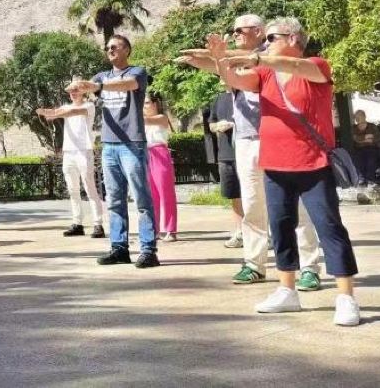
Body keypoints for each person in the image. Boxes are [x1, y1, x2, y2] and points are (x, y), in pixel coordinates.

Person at [210, 18, 361, 326]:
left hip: (312, 164)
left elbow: (289, 65)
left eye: (272, 38)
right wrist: (219, 59)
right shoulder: (266, 73)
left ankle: (346, 297)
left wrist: (256, 58)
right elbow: (237, 81)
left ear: (293, 38)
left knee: (329, 227)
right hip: (275, 165)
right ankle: (286, 290)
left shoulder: (316, 66)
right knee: (280, 228)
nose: (266, 44)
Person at [178, 14, 323, 289]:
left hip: (279, 138)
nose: (235, 35)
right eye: (233, 31)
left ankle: (309, 266)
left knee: (296, 206)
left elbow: (238, 64)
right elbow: (227, 69)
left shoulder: (272, 55)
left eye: (239, 31)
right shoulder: (245, 58)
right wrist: (202, 59)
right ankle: (255, 264)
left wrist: (215, 56)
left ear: (258, 31)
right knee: (253, 205)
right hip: (246, 139)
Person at [71, 35, 159, 268]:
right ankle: (119, 248)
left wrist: (97, 87)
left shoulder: (137, 72)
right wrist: (78, 86)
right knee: (114, 200)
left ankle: (149, 250)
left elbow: (128, 84)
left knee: (141, 199)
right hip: (109, 145)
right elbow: (82, 88)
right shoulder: (101, 76)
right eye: (107, 47)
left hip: (132, 143)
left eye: (114, 47)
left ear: (126, 50)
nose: (109, 50)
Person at [36, 85, 105, 238]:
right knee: (72, 190)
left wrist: (54, 113)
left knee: (89, 188)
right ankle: (77, 223)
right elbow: (53, 114)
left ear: (83, 92)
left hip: (84, 151)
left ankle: (98, 224)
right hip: (69, 152)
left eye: (76, 90)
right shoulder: (65, 107)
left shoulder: (89, 106)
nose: (73, 93)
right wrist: (45, 112)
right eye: (71, 91)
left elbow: (72, 112)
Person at [204, 88, 245, 248]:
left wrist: (234, 124)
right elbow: (211, 124)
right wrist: (218, 126)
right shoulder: (219, 98)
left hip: (246, 152)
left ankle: (262, 234)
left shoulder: (247, 94)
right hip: (225, 155)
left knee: (254, 195)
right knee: (235, 195)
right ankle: (240, 233)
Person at [144, 94, 178, 242]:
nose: (144, 106)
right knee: (151, 195)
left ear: (155, 104)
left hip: (160, 154)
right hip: (146, 155)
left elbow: (146, 120)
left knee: (166, 193)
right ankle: (155, 229)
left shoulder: (162, 118)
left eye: (147, 103)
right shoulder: (142, 121)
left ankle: (171, 229)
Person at [351, 110, 380, 186]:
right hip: (359, 149)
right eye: (356, 117)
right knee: (358, 159)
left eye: (359, 116)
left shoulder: (372, 126)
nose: (357, 119)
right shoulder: (354, 128)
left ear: (364, 116)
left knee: (371, 159)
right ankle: (362, 179)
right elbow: (355, 139)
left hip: (372, 148)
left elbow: (378, 137)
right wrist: (367, 137)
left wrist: (362, 139)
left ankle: (370, 180)